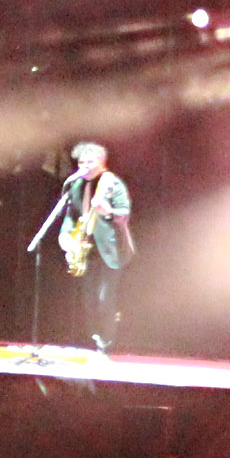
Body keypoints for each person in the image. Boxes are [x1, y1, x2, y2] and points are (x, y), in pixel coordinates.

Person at [27, 142, 135, 352]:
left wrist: (108, 212)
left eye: (89, 162)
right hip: (87, 250)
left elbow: (124, 214)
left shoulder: (112, 184)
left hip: (110, 250)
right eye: (81, 163)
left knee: (105, 298)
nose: (84, 166)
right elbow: (70, 215)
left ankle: (108, 343)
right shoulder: (75, 185)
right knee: (89, 300)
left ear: (101, 162)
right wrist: (65, 235)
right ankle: (94, 339)